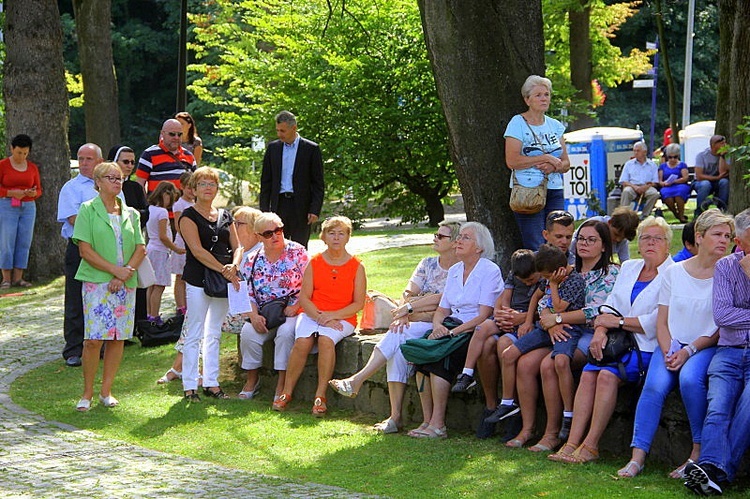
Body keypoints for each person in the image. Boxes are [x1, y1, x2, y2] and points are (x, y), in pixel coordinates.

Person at [549, 216, 674, 464]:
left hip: (644, 345)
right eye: (645, 237)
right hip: (613, 340)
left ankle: (591, 445)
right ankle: (572, 443)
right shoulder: (630, 268)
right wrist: (599, 331)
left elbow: (656, 320)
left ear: (667, 245)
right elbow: (611, 304)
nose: (650, 243)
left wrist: (615, 323)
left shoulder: (673, 273)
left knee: (606, 376)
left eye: (657, 238)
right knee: (587, 373)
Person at [618, 209, 732, 479]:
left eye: (728, 236)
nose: (724, 241)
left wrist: (688, 350)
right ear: (699, 237)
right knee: (654, 386)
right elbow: (662, 319)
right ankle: (637, 457)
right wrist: (670, 348)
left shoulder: (727, 273)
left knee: (691, 380)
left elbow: (719, 326)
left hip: (704, 346)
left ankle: (696, 454)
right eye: (717, 234)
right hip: (672, 342)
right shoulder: (675, 272)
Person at [328, 221, 461, 433]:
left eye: (441, 236)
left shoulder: (459, 270)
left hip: (437, 323)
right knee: (398, 344)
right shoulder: (427, 263)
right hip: (414, 318)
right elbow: (408, 294)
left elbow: (443, 302)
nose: (435, 238)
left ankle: (358, 380)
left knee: (399, 334)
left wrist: (410, 311)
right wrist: (404, 313)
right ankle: (395, 416)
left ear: (455, 242)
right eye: (435, 234)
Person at [406, 222, 503, 439]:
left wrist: (453, 332)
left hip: (473, 330)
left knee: (441, 361)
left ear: (479, 247)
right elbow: (442, 308)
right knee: (421, 359)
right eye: (459, 237)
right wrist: (438, 326)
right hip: (450, 325)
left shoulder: (489, 270)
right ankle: (427, 421)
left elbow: (484, 314)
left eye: (466, 238)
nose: (458, 241)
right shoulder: (456, 269)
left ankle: (439, 425)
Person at [530, 220, 619, 452]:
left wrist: (558, 319)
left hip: (593, 332)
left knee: (552, 364)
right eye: (581, 239)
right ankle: (550, 432)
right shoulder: (566, 270)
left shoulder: (611, 273)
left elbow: (598, 310)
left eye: (592, 240)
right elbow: (544, 299)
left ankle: (564, 428)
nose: (584, 244)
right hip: (560, 331)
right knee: (541, 364)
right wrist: (549, 321)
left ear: (603, 246)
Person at [485, 244, 586, 448]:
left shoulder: (573, 281)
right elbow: (536, 297)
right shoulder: (549, 279)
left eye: (546, 277)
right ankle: (507, 403)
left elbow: (558, 309)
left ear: (556, 271)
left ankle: (568, 414)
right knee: (508, 354)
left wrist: (554, 286)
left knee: (560, 360)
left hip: (567, 329)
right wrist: (529, 321)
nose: (544, 281)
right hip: (544, 326)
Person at [682, 208, 750, 496]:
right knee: (718, 406)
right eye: (741, 241)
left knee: (748, 407)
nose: (741, 247)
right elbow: (722, 316)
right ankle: (711, 469)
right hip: (729, 350)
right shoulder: (726, 266)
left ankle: (714, 472)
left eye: (745, 242)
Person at [156, 205, 261, 385]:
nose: (232, 227)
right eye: (233, 223)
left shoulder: (257, 254)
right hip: (231, 304)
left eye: (239, 223)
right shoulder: (233, 252)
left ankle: (198, 372)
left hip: (246, 311)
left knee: (203, 321)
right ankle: (184, 369)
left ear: (253, 229)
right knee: (195, 317)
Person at [273, 216, 366, 416]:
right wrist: (320, 316)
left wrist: (332, 316)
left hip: (342, 317)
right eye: (331, 233)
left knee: (325, 340)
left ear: (348, 237)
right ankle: (286, 392)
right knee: (302, 342)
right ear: (323, 236)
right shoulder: (314, 262)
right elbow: (304, 298)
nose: (336, 237)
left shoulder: (357, 266)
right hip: (312, 313)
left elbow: (358, 303)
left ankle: (320, 395)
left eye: (341, 233)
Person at [72, 162, 146, 411]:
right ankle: (87, 393)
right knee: (93, 340)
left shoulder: (131, 213)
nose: (117, 181)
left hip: (125, 283)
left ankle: (106, 391)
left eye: (120, 177)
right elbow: (85, 250)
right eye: (111, 177)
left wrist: (124, 275)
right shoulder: (87, 209)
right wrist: (114, 271)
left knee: (117, 338)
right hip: (96, 282)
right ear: (98, 182)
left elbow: (140, 247)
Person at [179, 167, 243, 401]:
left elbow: (238, 247)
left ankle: (212, 382)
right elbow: (197, 250)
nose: (208, 188)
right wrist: (224, 270)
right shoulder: (188, 216)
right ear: (194, 189)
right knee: (194, 331)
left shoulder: (226, 215)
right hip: (199, 279)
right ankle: (189, 385)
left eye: (212, 184)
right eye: (203, 184)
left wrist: (234, 266)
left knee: (214, 332)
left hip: (223, 280)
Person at [470, 249, 541, 440]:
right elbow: (504, 297)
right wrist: (502, 313)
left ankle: (512, 407)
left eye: (566, 237)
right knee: (485, 346)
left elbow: (542, 306)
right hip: (512, 321)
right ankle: (491, 405)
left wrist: (523, 318)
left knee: (503, 345)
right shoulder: (522, 265)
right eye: (557, 236)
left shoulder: (548, 267)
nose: (562, 241)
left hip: (530, 325)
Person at [238, 212, 309, 400]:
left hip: (292, 310)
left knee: (286, 334)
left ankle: (282, 383)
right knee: (248, 333)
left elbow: (311, 284)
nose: (275, 236)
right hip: (265, 312)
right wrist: (253, 316)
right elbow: (247, 293)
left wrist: (297, 306)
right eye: (268, 233)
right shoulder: (252, 259)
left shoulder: (298, 252)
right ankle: (252, 380)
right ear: (259, 237)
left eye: (278, 230)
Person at [505, 75, 570, 251]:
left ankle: (558, 277)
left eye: (546, 94)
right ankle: (540, 278)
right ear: (527, 99)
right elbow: (512, 161)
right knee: (536, 243)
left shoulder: (555, 125)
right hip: (528, 191)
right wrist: (545, 158)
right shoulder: (517, 123)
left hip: (554, 189)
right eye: (538, 95)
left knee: (558, 240)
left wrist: (553, 165)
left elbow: (565, 163)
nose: (544, 98)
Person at [57, 143, 105, 367]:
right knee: (76, 297)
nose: (84, 163)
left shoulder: (111, 186)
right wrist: (102, 222)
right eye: (81, 158)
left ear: (99, 162)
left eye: (89, 159)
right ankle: (74, 349)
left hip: (106, 248)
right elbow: (74, 218)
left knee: (103, 295)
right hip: (79, 247)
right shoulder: (71, 187)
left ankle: (101, 343)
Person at [260, 111, 324, 248]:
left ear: (294, 128)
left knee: (299, 248)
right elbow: (266, 181)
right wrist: (264, 210)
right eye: (277, 130)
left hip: (301, 207)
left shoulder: (311, 149)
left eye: (282, 130)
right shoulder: (273, 148)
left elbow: (318, 183)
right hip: (278, 205)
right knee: (277, 246)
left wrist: (314, 209)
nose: (279, 134)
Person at [109, 145, 148, 331]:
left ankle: (137, 326)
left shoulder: (134, 187)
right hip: (110, 245)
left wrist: (132, 216)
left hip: (132, 242)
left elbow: (145, 212)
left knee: (137, 284)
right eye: (125, 161)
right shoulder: (105, 189)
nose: (130, 165)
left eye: (133, 162)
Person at [0, 134, 42, 289]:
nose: (21, 156)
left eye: (25, 153)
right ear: (11, 149)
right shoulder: (3, 165)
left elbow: (38, 189)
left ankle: (19, 277)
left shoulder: (32, 168)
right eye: (19, 152)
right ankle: (6, 278)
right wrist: (11, 193)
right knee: (7, 240)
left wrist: (32, 193)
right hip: (7, 205)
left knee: (24, 241)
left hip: (28, 207)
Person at [145, 181, 184, 323]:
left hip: (151, 249)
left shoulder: (150, 209)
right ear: (165, 194)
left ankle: (150, 314)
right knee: (159, 286)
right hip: (161, 251)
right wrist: (175, 249)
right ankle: (155, 316)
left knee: (151, 285)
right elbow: (163, 236)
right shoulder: (162, 212)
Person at [135, 118, 196, 195]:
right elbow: (140, 184)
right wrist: (146, 206)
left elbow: (195, 183)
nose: (176, 137)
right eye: (172, 134)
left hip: (184, 206)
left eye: (179, 134)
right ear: (162, 133)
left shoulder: (189, 155)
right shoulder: (149, 154)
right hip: (157, 205)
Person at [571, 206, 639, 263]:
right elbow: (572, 247)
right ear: (609, 222)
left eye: (622, 238)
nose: (618, 240)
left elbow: (625, 261)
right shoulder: (593, 225)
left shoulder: (622, 240)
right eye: (616, 234)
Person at [170, 171, 195, 316]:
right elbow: (179, 226)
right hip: (182, 242)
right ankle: (180, 306)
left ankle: (190, 304)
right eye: (188, 188)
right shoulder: (179, 204)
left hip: (193, 242)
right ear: (182, 187)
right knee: (180, 276)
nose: (191, 191)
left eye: (194, 187)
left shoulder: (195, 203)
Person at [619, 141, 660, 218]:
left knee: (654, 194)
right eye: (634, 150)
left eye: (638, 151)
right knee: (626, 191)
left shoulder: (652, 165)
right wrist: (635, 187)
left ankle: (645, 215)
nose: (635, 153)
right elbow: (624, 181)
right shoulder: (629, 164)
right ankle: (623, 215)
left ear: (644, 152)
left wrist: (645, 187)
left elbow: (655, 182)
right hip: (632, 186)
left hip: (647, 186)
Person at [693, 134, 730, 217]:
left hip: (718, 182)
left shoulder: (727, 155)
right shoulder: (702, 156)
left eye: (724, 143)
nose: (724, 145)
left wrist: (722, 156)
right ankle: (700, 211)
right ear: (713, 145)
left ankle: (722, 210)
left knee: (724, 182)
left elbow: (722, 172)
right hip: (701, 182)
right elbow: (699, 176)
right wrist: (716, 177)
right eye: (721, 143)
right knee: (705, 184)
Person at [658, 143, 691, 223]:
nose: (672, 159)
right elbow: (660, 180)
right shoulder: (663, 166)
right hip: (667, 186)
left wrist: (674, 181)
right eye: (670, 157)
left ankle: (681, 215)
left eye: (675, 157)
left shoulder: (682, 165)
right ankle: (676, 214)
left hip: (680, 185)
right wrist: (663, 183)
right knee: (666, 195)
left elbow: (685, 178)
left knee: (679, 194)